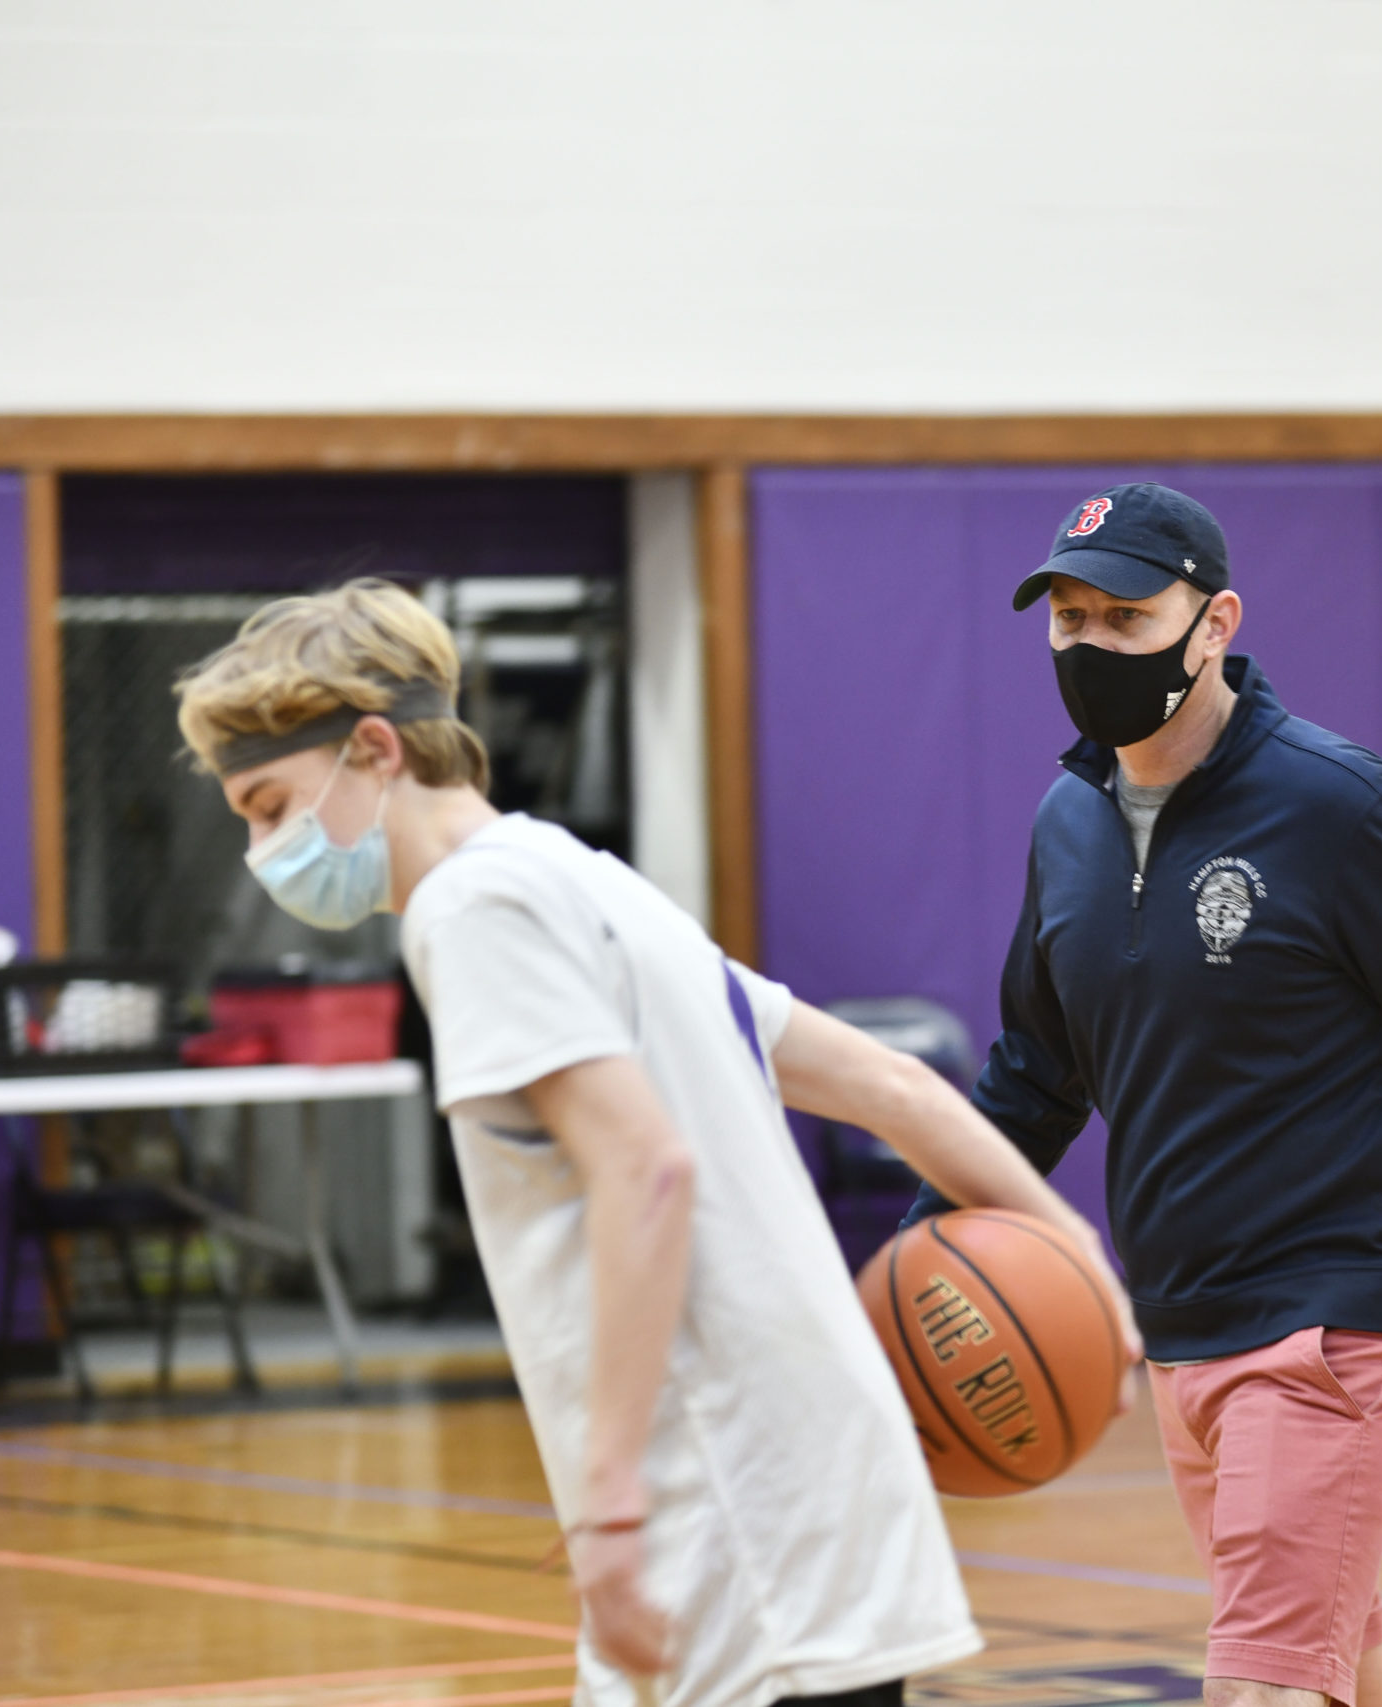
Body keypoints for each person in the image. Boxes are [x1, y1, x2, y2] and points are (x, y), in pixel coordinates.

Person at [175, 581, 1139, 1707]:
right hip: (824, 1493)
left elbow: (646, 1169)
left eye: (268, 802)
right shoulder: (586, 879)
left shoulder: (469, 909)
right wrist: (1080, 1257)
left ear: (376, 748)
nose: (262, 849)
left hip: (729, 1514)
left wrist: (610, 1497)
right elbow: (893, 1087)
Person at [910, 484, 1382, 1707]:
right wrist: (916, 1243)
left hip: (1332, 1325)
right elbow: (1036, 1076)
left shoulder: (1342, 810)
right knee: (1332, 1670)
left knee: (1257, 1685)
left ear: (1214, 624)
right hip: (1182, 1333)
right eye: (1069, 620)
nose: (1090, 645)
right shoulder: (1067, 823)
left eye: (1125, 618)